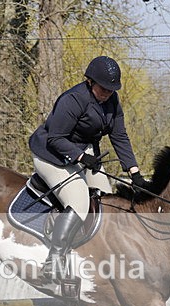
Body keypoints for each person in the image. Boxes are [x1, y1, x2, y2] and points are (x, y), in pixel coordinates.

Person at [29, 55, 142, 280]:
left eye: (111, 89)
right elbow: (56, 138)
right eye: (104, 88)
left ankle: (97, 256)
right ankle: (55, 259)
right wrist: (80, 156)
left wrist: (134, 172)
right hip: (52, 153)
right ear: (90, 82)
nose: (107, 93)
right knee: (79, 201)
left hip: (84, 152)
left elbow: (119, 136)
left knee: (108, 201)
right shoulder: (73, 99)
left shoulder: (112, 101)